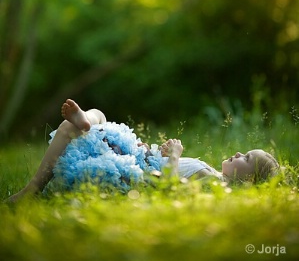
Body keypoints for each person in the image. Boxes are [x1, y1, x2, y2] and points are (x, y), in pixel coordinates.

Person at [7, 99, 279, 202]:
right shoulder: (210, 172)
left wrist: (173, 156)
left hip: (132, 176)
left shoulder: (214, 184)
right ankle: (85, 118)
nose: (239, 153)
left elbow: (169, 189)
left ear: (249, 179)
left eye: (247, 158)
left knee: (75, 130)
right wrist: (152, 154)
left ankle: (32, 190)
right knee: (97, 117)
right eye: (245, 151)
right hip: (141, 162)